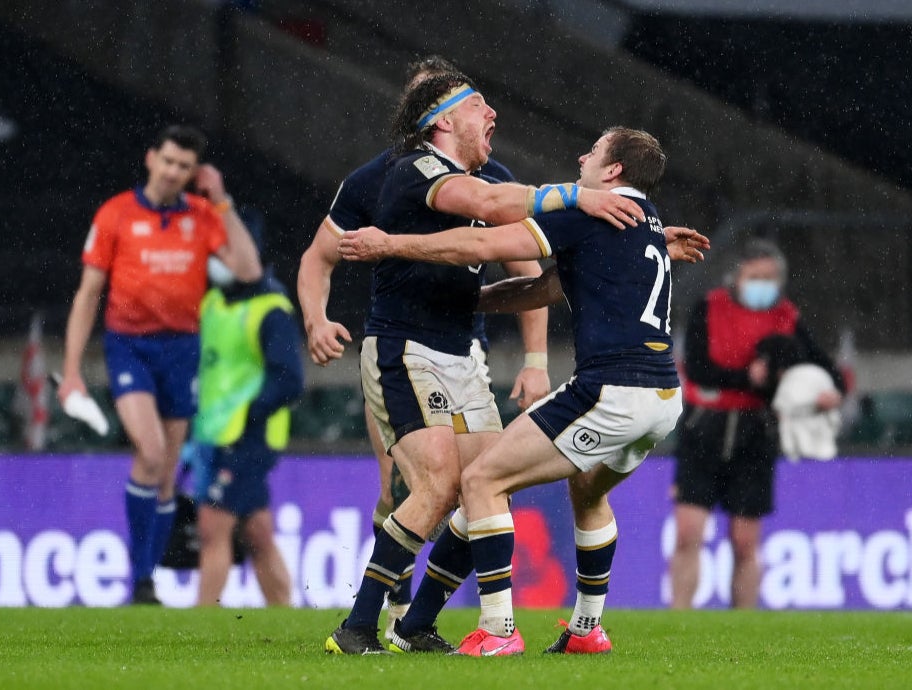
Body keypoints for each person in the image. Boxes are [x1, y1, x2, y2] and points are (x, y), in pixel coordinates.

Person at [338, 126, 709, 655]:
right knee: (588, 491)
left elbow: (487, 241)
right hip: (662, 398)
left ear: (612, 172)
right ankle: (583, 630)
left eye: (594, 150)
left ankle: (498, 629)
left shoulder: (590, 212)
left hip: (611, 390)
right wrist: (469, 302)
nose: (582, 155)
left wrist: (390, 244)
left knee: (482, 477)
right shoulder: (644, 223)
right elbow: (540, 289)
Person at [296, 56, 552, 637]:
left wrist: (536, 360)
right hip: (401, 347)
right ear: (434, 118)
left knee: (484, 485)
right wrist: (316, 319)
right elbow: (319, 257)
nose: (488, 114)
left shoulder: (488, 175)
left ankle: (412, 624)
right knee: (414, 485)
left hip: (464, 350)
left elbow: (529, 268)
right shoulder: (386, 177)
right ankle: (370, 621)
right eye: (471, 104)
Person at [58, 125, 262, 605]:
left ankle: (147, 581)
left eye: (184, 166)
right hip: (129, 347)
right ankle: (140, 572)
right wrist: (70, 371)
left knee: (168, 472)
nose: (173, 172)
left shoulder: (202, 215)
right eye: (168, 161)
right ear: (151, 159)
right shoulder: (116, 214)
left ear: (194, 172)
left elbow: (249, 270)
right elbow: (88, 294)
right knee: (149, 453)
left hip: (183, 349)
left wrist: (223, 200)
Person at [669, 238, 844, 609]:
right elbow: (699, 368)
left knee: (745, 540)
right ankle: (678, 615)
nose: (764, 284)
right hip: (705, 428)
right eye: (756, 276)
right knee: (688, 532)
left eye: (771, 277)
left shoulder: (786, 316)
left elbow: (822, 366)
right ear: (737, 276)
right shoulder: (710, 307)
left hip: (755, 431)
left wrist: (832, 390)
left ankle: (742, 621)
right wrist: (751, 379)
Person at [191, 256, 304, 606]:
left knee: (212, 523)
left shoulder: (270, 310)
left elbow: (290, 380)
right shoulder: (211, 304)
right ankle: (286, 614)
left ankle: (200, 622)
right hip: (213, 434)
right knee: (257, 532)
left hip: (250, 437)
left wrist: (250, 415)